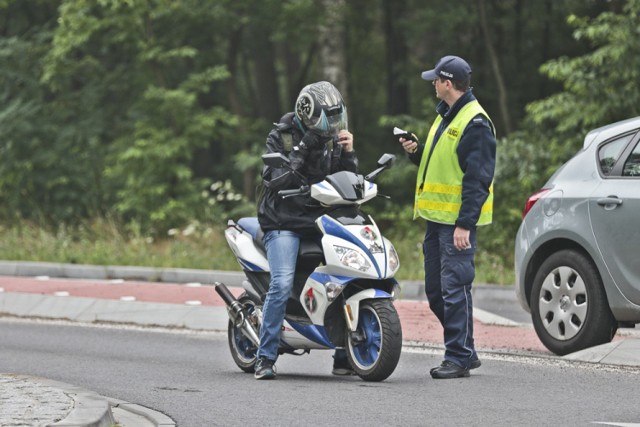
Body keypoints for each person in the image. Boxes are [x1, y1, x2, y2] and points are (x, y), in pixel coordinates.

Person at [399, 55, 496, 379]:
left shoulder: (475, 123)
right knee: (437, 292)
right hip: (437, 221)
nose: (432, 84)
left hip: (456, 224)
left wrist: (465, 224)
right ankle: (465, 350)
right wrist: (417, 152)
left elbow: (477, 179)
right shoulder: (446, 116)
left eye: (435, 80)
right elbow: (440, 164)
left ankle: (457, 357)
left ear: (448, 84)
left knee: (455, 290)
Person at [254, 81, 359, 380]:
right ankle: (265, 358)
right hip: (283, 221)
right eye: (329, 117)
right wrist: (304, 147)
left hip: (318, 220)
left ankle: (344, 356)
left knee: (345, 275)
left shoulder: (331, 140)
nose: (334, 125)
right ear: (309, 113)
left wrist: (348, 154)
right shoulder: (281, 136)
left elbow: (344, 181)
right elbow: (275, 179)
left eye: (337, 117)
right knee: (282, 282)